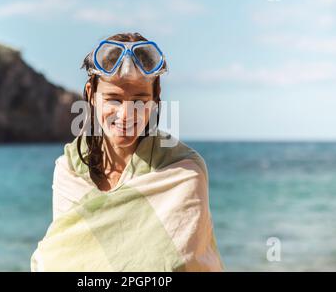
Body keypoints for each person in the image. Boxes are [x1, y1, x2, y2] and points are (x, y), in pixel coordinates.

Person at [31, 32, 223, 271]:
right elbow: (61, 259)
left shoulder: (184, 172)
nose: (126, 115)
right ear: (91, 95)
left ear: (156, 98)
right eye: (113, 99)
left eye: (140, 100)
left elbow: (185, 264)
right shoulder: (70, 169)